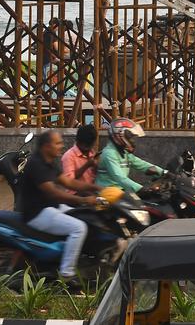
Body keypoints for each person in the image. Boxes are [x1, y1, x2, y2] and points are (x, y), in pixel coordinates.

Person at [17, 130, 100, 282]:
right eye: (58, 143)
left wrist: (97, 189)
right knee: (79, 228)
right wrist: (84, 200)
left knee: (87, 216)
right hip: (37, 213)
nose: (61, 146)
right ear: (46, 146)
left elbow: (69, 182)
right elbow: (54, 193)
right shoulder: (37, 164)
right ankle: (67, 274)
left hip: (52, 207)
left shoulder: (49, 161)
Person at [97, 118, 166, 193]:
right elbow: (120, 178)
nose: (132, 141)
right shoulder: (109, 153)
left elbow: (141, 164)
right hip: (108, 194)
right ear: (119, 135)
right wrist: (142, 189)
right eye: (130, 137)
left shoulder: (123, 152)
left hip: (121, 191)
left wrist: (164, 172)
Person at [61, 124, 99, 192]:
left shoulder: (92, 153)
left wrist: (96, 167)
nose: (87, 148)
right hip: (75, 194)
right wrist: (87, 165)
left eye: (90, 145)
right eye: (85, 145)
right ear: (77, 141)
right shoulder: (69, 156)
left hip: (91, 192)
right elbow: (69, 181)